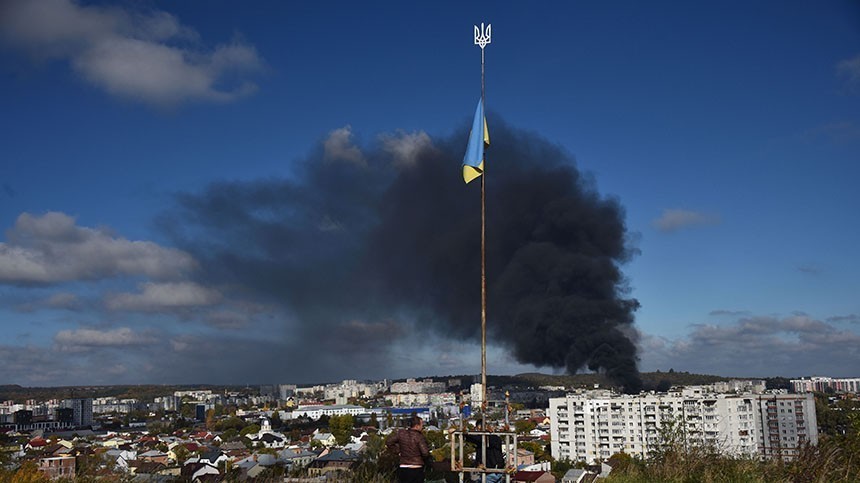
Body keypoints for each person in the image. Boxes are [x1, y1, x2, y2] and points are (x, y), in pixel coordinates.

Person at [386, 415, 431, 483]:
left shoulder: (401, 433)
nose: (423, 427)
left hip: (403, 467)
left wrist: (398, 450)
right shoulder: (419, 437)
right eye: (422, 425)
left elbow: (389, 442)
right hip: (417, 468)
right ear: (417, 426)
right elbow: (425, 453)